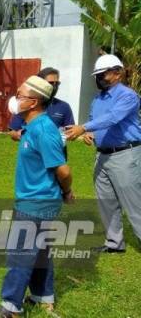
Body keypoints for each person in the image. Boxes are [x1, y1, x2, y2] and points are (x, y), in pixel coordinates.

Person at [0, 76, 74, 318]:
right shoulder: (32, 126)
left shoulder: (43, 130)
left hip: (36, 201)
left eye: (20, 95)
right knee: (40, 251)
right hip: (38, 200)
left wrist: (66, 191)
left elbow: (63, 170)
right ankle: (42, 297)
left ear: (33, 102)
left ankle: (10, 307)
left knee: (20, 255)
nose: (15, 99)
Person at [65, 54, 141, 253]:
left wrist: (84, 127)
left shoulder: (128, 95)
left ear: (117, 73)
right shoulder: (97, 99)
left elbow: (113, 117)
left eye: (103, 74)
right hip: (102, 155)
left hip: (125, 154)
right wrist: (90, 132)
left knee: (134, 203)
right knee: (106, 201)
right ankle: (114, 243)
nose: (99, 78)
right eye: (97, 75)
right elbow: (94, 119)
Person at [8, 67, 74, 142]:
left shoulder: (64, 106)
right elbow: (12, 131)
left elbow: (71, 132)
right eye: (51, 83)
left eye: (57, 83)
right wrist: (21, 135)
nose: (54, 87)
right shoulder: (29, 104)